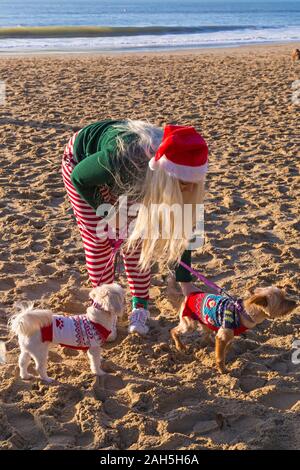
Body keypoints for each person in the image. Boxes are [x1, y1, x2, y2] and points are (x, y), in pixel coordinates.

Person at [61, 119, 208, 340]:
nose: (186, 190)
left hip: (135, 177)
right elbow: (80, 177)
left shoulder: (185, 175)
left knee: (136, 240)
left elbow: (183, 227)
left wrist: (185, 283)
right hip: (84, 166)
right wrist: (109, 214)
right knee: (100, 237)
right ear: (167, 177)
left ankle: (140, 305)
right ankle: (104, 307)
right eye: (181, 186)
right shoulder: (126, 161)